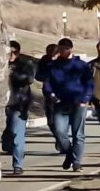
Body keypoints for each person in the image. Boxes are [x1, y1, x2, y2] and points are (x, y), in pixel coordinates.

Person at [39, 38, 94, 170]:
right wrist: (50, 94)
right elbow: (47, 83)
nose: (62, 51)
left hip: (78, 103)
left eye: (65, 48)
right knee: (59, 131)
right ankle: (69, 153)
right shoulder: (53, 66)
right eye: (61, 48)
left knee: (78, 134)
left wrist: (85, 98)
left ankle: (77, 162)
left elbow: (90, 83)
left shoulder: (81, 65)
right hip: (60, 103)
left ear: (70, 49)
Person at [4, 41, 35, 175]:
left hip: (18, 104)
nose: (11, 55)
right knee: (6, 137)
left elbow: (28, 79)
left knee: (17, 134)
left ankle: (18, 165)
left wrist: (11, 73)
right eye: (8, 51)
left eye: (14, 52)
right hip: (0, 106)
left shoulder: (24, 65)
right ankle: (12, 149)